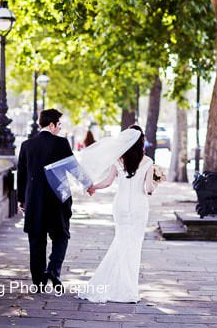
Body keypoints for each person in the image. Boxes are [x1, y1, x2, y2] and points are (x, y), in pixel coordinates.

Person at [77, 125, 160, 303]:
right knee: (133, 247)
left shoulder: (119, 159)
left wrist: (93, 187)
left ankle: (115, 285)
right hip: (138, 206)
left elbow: (107, 182)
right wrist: (156, 182)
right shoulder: (147, 162)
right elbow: (148, 190)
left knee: (121, 242)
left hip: (121, 206)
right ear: (141, 142)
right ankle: (127, 289)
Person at [17, 108, 94, 292]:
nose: (60, 128)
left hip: (34, 201)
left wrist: (22, 200)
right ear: (51, 125)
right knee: (61, 235)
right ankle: (53, 269)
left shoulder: (27, 145)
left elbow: (21, 176)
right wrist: (88, 184)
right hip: (57, 200)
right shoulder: (61, 143)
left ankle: (39, 283)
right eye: (58, 125)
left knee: (36, 240)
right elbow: (74, 167)